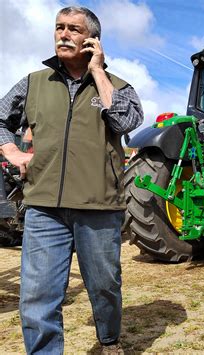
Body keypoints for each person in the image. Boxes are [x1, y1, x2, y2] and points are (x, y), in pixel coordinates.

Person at [0, 6, 143, 354]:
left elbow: (126, 122)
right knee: (37, 297)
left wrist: (97, 71)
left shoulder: (118, 87)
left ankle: (109, 339)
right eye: (59, 27)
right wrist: (13, 153)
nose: (63, 34)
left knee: (105, 286)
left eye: (74, 29)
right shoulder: (33, 83)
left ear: (92, 39)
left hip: (98, 205)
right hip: (44, 206)